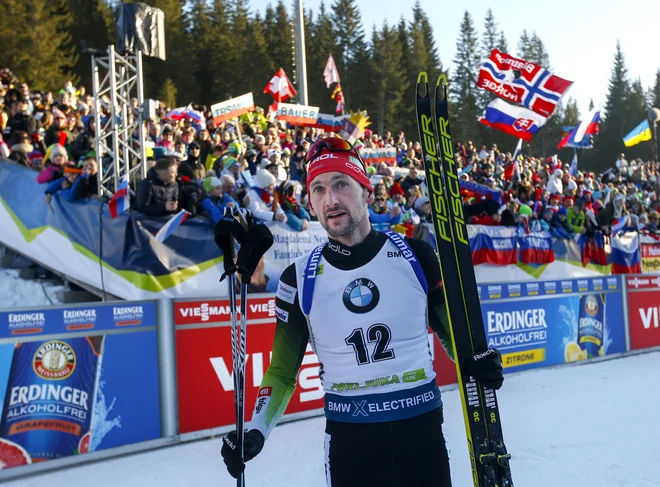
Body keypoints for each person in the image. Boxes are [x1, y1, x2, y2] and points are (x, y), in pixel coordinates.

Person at [220, 136, 504, 486]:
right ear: (310, 202)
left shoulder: (416, 256)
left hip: (421, 434)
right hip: (350, 444)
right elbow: (280, 374)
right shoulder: (299, 278)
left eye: (341, 184)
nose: (332, 199)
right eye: (319, 190)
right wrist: (255, 432)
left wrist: (480, 360)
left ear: (367, 191)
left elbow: (458, 343)